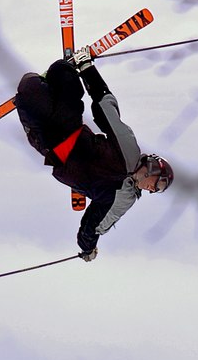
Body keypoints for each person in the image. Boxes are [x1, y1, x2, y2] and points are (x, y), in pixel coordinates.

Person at [15, 47, 173, 261]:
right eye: (158, 184)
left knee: (29, 88)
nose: (152, 189)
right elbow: (106, 109)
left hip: (54, 148)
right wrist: (87, 69)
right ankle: (55, 78)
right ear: (153, 169)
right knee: (63, 73)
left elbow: (95, 224)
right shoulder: (129, 151)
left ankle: (32, 98)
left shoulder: (123, 198)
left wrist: (87, 248)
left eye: (157, 190)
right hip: (71, 127)